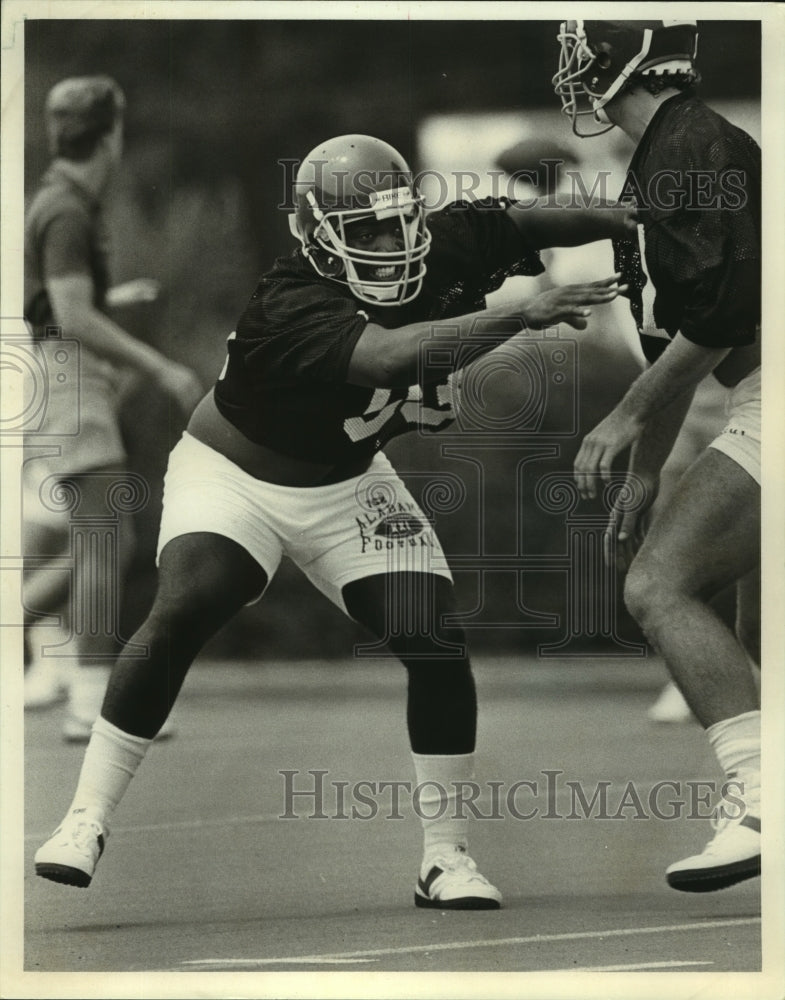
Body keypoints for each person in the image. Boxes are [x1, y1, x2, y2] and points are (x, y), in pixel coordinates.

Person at [34, 132, 633, 908]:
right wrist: (522, 315)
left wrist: (634, 217)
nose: (391, 243)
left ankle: (444, 858)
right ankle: (84, 819)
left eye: (399, 222)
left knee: (433, 636)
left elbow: (530, 221)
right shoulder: (289, 299)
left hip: (348, 483)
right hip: (235, 476)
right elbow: (387, 358)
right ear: (319, 240)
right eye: (366, 231)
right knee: (189, 603)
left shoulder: (443, 242)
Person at [553, 20, 761, 891]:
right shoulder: (660, 158)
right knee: (744, 604)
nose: (567, 70)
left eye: (576, 51)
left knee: (658, 585)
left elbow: (718, 319)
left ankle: (760, 801)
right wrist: (642, 477)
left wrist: (617, 421)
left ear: (617, 58)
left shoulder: (692, 146)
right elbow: (676, 343)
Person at [23, 76, 202, 739]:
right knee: (104, 540)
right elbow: (67, 316)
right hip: (69, 381)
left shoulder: (59, 201)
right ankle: (90, 702)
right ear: (111, 132)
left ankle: (79, 685)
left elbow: (50, 306)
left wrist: (110, 302)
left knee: (103, 540)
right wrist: (158, 367)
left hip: (59, 376)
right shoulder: (67, 209)